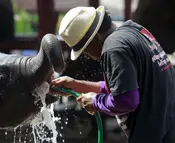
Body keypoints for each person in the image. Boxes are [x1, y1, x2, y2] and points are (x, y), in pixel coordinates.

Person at [51, 5, 175, 143]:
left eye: (85, 50)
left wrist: (96, 102)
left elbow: (127, 100)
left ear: (95, 37)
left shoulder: (113, 48)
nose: (89, 56)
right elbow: (123, 85)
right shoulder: (133, 30)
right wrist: (76, 85)